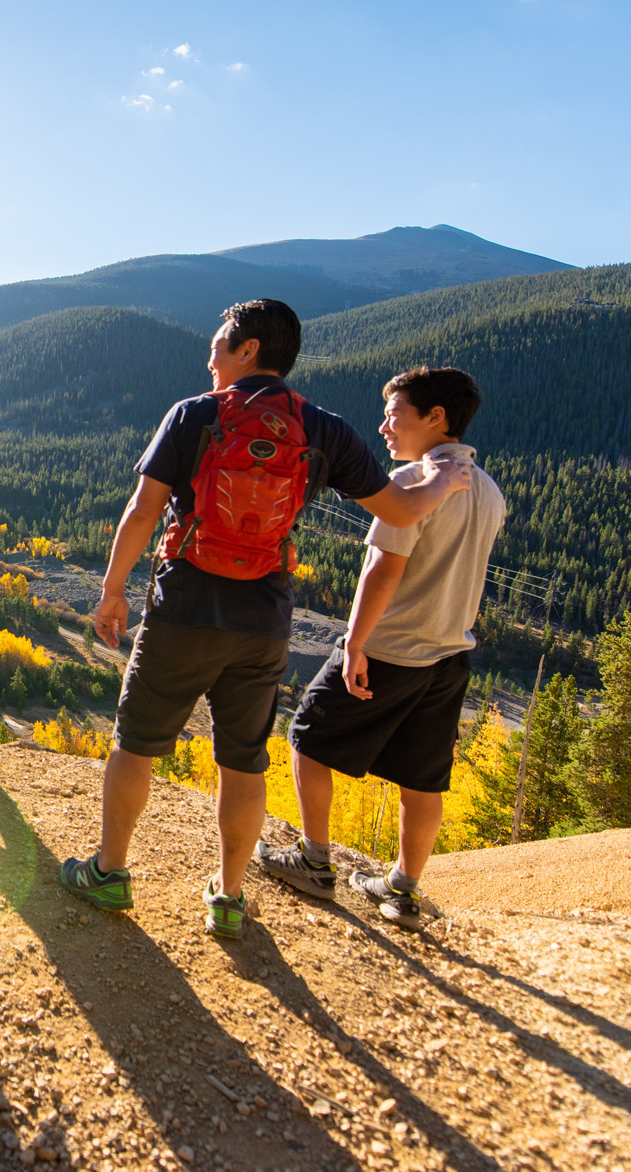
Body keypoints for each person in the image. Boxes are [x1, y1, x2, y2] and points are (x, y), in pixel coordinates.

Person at [59, 299, 472, 939]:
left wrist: (113, 591)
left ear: (248, 350)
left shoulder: (195, 414)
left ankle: (111, 872)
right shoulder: (324, 429)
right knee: (244, 760)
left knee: (135, 742)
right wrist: (442, 483)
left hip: (184, 609)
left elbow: (144, 510)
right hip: (265, 619)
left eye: (220, 343)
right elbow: (400, 508)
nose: (211, 356)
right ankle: (227, 896)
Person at [257, 367, 506, 929]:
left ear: (435, 417)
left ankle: (314, 861)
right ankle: (404, 890)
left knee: (307, 735)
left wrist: (355, 644)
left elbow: (382, 571)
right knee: (423, 777)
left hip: (393, 648)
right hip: (450, 655)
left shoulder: (414, 484)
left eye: (394, 414)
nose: (384, 426)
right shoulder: (488, 490)